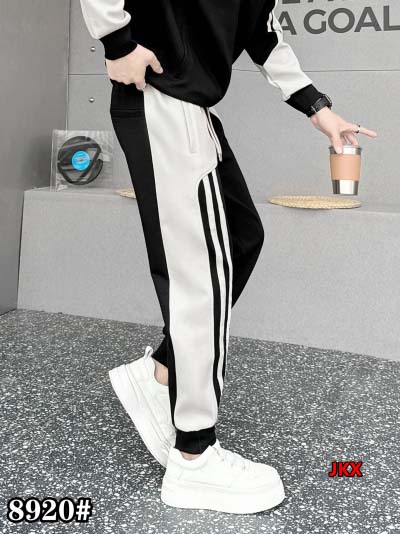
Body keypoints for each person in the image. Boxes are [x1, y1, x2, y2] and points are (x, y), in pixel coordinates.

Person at [79, 0, 377, 514]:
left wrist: (319, 109)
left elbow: (263, 34)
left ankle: (162, 371)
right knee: (201, 276)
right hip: (163, 99)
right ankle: (194, 456)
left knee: (241, 238)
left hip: (193, 110)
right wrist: (118, 43)